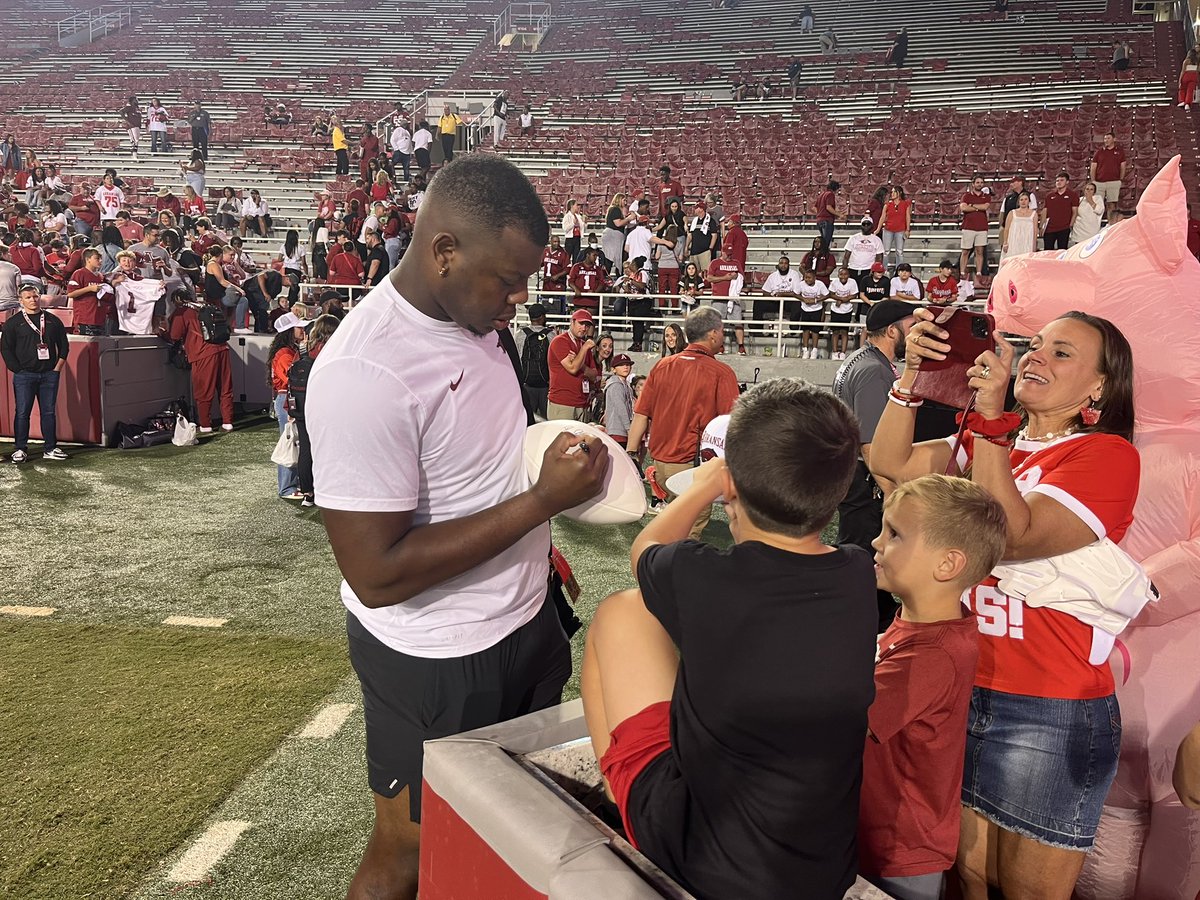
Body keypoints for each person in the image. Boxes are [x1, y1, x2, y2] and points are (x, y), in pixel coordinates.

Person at [306, 154, 606, 900]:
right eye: (508, 280)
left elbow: (479, 462)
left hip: (527, 620)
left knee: (519, 827)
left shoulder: (473, 319)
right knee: (409, 851)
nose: (520, 298)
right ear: (444, 252)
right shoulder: (364, 372)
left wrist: (542, 519)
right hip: (436, 656)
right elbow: (375, 575)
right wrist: (539, 504)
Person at [871, 307, 1139, 899]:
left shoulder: (1106, 456)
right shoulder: (988, 440)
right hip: (959, 682)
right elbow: (888, 464)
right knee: (970, 878)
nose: (1037, 356)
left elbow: (1010, 535)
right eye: (1036, 344)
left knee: (1025, 892)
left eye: (1062, 352)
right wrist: (911, 376)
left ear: (1101, 387)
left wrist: (992, 423)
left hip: (1048, 704)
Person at [584, 378, 877, 900]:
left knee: (620, 611)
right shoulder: (856, 574)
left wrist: (704, 485)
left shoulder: (703, 576)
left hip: (703, 856)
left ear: (732, 487)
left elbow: (645, 548)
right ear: (836, 494)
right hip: (821, 867)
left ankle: (618, 796)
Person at [859, 475, 1008, 900]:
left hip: (898, 851)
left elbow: (841, 717)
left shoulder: (933, 654)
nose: (876, 542)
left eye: (894, 534)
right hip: (885, 838)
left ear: (947, 564)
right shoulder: (926, 627)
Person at [833, 300, 919, 628]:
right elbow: (870, 443)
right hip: (865, 479)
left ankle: (875, 614)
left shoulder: (861, 359)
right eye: (911, 327)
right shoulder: (874, 370)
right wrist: (894, 495)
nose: (916, 334)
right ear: (893, 331)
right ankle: (858, 620)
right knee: (862, 553)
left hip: (852, 474)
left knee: (859, 551)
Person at [624, 307, 740, 539]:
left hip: (659, 463)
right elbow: (733, 425)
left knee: (673, 525)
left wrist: (630, 454)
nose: (723, 335)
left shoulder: (661, 366)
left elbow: (641, 414)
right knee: (687, 536)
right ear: (713, 334)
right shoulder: (721, 372)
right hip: (691, 464)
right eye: (721, 330)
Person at [2, 284, 71, 463]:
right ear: (21, 300)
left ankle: (50, 448)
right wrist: (17, 369)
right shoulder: (13, 323)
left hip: (49, 375)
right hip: (24, 375)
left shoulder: (52, 320)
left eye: (35, 296)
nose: (32, 300)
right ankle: (20, 449)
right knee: (22, 413)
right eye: (28, 297)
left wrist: (57, 369)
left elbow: (64, 346)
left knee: (48, 413)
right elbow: (6, 348)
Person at [288, 314, 340, 507]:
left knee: (306, 449)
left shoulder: (303, 349)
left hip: (301, 407)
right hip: (324, 407)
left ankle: (308, 494)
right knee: (329, 448)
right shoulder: (332, 350)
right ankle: (328, 490)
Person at [168, 288, 233, 433]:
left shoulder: (182, 311)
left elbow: (174, 335)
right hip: (222, 348)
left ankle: (205, 425)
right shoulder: (207, 306)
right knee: (225, 388)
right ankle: (228, 422)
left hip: (202, 353)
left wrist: (161, 332)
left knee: (203, 390)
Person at [268, 312, 305, 499]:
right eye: (298, 327)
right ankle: (287, 487)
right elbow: (291, 378)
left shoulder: (288, 351)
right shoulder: (285, 354)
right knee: (289, 442)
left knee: (293, 441)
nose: (302, 330)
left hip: (286, 398)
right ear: (289, 331)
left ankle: (292, 484)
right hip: (286, 399)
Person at [547, 308, 600, 421]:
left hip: (582, 403)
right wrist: (584, 349)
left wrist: (580, 363)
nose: (584, 328)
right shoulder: (560, 341)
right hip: (563, 403)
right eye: (581, 323)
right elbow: (572, 368)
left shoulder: (584, 345)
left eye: (587, 325)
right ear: (572, 322)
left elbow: (594, 375)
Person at [706, 247, 745, 354]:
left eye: (731, 254)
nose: (729, 256)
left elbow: (742, 277)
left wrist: (737, 276)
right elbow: (709, 278)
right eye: (727, 254)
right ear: (722, 252)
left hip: (733, 298)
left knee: (738, 322)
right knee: (718, 324)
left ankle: (741, 346)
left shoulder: (736, 263)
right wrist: (725, 278)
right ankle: (719, 346)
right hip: (719, 297)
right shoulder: (715, 263)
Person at [515, 302, 552, 418]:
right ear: (542, 317)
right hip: (546, 386)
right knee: (547, 421)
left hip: (526, 385)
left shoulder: (520, 334)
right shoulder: (551, 335)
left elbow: (517, 358)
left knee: (528, 419)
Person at [66, 249, 113, 336]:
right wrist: (89, 289)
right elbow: (71, 294)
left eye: (101, 258)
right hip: (85, 318)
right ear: (88, 259)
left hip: (100, 318)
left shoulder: (100, 276)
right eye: (97, 258)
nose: (100, 261)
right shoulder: (79, 273)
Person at [959, 175, 991, 278]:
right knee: (965, 251)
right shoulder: (966, 196)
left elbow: (985, 207)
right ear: (973, 184)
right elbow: (963, 208)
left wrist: (972, 205)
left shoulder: (986, 196)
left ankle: (978, 273)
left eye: (981, 182)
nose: (979, 184)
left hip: (982, 228)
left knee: (979, 251)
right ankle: (962, 272)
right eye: (977, 182)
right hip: (968, 227)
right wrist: (978, 208)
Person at [757, 254, 803, 326]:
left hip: (789, 301)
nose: (783, 265)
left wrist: (782, 294)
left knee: (797, 304)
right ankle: (757, 328)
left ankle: (794, 328)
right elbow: (765, 291)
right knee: (758, 302)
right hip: (775, 301)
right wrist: (772, 296)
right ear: (778, 265)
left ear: (789, 265)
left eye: (785, 263)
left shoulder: (794, 274)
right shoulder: (773, 276)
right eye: (781, 263)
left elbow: (796, 292)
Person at [1041, 172, 1079, 252]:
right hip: (1049, 229)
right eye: (1057, 180)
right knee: (1047, 251)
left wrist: (1070, 225)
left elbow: (1075, 212)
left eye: (1062, 180)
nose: (1059, 182)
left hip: (1064, 228)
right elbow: (1045, 211)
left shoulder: (1073, 195)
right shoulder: (1049, 196)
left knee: (1062, 251)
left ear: (1067, 182)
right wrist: (1042, 226)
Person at [827, 265, 859, 360]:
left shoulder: (852, 282)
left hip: (847, 310)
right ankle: (835, 352)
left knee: (845, 332)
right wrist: (840, 298)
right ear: (838, 275)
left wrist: (846, 299)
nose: (843, 276)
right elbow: (831, 294)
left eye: (845, 274)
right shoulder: (835, 282)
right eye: (841, 274)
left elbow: (854, 294)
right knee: (835, 331)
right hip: (835, 310)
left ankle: (843, 353)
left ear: (848, 275)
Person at [1089, 132, 1127, 211]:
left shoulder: (1120, 152)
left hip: (1114, 181)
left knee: (1112, 204)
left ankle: (1111, 219)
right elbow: (1093, 166)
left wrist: (1120, 179)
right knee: (1098, 203)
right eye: (1105, 138)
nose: (1106, 140)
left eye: (1108, 138)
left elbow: (1123, 166)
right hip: (1099, 182)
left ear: (1114, 139)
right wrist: (1093, 181)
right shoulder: (1099, 152)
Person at [602, 353, 635, 445]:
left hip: (623, 430)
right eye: (621, 365)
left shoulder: (627, 385)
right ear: (614, 369)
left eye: (628, 364)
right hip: (617, 430)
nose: (625, 367)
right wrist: (629, 429)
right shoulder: (615, 385)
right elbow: (621, 408)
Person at [797, 267, 828, 359]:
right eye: (806, 277)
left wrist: (816, 300)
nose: (807, 279)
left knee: (815, 330)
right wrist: (803, 299)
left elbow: (827, 294)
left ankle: (814, 350)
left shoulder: (820, 284)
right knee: (805, 330)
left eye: (809, 277)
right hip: (805, 309)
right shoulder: (801, 284)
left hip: (817, 309)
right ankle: (805, 350)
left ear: (814, 278)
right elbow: (795, 293)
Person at [844, 216, 885, 286]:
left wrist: (874, 270)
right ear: (861, 226)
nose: (866, 226)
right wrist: (845, 269)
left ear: (872, 226)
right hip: (853, 268)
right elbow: (846, 256)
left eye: (868, 224)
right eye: (864, 224)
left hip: (868, 270)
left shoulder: (877, 240)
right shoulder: (853, 238)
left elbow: (879, 258)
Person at [1000, 191, 1038, 261]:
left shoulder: (1034, 214)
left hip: (1027, 241)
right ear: (1018, 202)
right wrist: (1005, 242)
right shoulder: (1012, 213)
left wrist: (1034, 244)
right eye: (1021, 199)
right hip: (1013, 241)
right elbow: (1007, 229)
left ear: (1029, 201)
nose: (1023, 201)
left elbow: (1035, 231)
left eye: (1026, 199)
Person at [686, 202, 719, 273]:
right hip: (694, 251)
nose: (694, 209)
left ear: (701, 209)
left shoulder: (710, 221)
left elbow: (714, 235)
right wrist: (686, 247)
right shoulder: (694, 221)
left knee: (705, 273)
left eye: (696, 208)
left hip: (705, 251)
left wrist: (710, 248)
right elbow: (690, 235)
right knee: (693, 273)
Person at [1070, 182, 1105, 247]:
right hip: (1079, 231)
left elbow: (1100, 211)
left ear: (1094, 192)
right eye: (1087, 189)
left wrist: (1090, 200)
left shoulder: (1098, 198)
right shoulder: (1080, 199)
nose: (1089, 191)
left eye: (1091, 189)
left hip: (1092, 231)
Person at [815, 180, 840, 251]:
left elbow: (814, 208)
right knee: (825, 243)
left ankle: (822, 254)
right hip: (827, 220)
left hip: (819, 220)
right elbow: (828, 207)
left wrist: (820, 213)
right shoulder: (830, 194)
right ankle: (824, 256)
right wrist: (840, 214)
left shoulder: (821, 195)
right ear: (835, 188)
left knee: (822, 242)